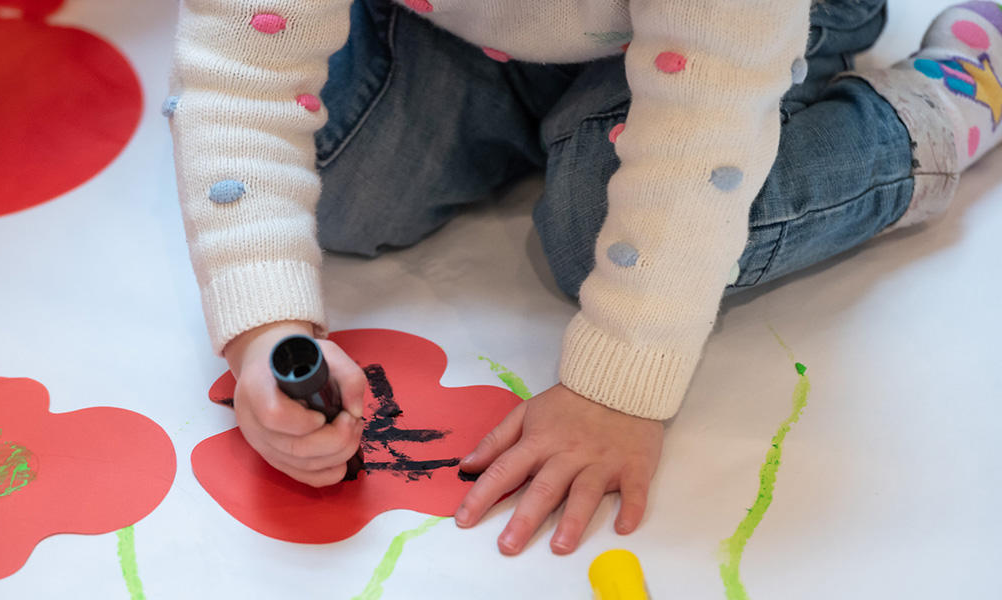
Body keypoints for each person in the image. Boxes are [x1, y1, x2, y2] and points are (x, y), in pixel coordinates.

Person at [166, 0, 998, 555]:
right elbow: (241, 75)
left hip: (735, 36)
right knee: (345, 190)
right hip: (469, 20)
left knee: (594, 233)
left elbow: (708, 121)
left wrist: (618, 386)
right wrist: (264, 327)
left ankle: (932, 112)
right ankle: (542, 103)